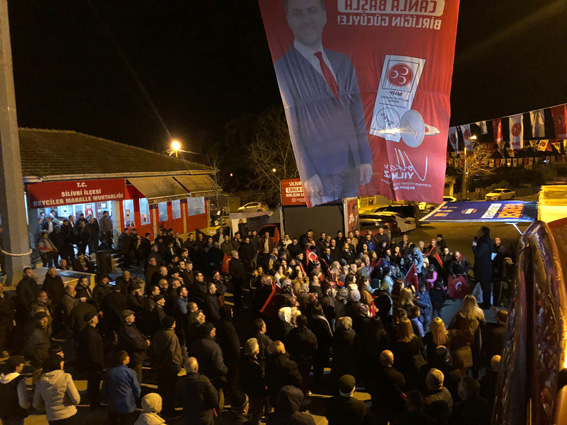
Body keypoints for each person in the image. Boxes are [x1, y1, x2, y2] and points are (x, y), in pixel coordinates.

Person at [273, 0, 373, 205]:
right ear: (289, 19)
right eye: (298, 13)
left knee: (350, 223)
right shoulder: (285, 68)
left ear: (323, 15)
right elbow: (293, 124)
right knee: (331, 224)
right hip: (321, 172)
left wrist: (365, 158)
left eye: (312, 11)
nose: (306, 19)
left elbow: (357, 113)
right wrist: (307, 172)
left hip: (352, 163)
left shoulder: (343, 61)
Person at [151, 316, 184, 419]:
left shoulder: (158, 334)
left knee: (162, 388)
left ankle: (160, 407)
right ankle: (169, 411)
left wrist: (156, 364)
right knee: (170, 390)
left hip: (160, 365)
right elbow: (170, 353)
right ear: (172, 324)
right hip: (169, 366)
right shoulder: (172, 336)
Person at [33, 355, 81, 425]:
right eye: (61, 362)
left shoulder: (40, 382)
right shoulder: (66, 377)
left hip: (52, 417)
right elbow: (76, 399)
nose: (63, 363)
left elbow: (36, 404)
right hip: (68, 414)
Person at [102, 350, 142, 425]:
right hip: (128, 405)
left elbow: (104, 389)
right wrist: (135, 399)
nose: (129, 357)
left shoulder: (110, 372)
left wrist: (108, 400)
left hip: (113, 405)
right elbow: (137, 389)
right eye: (127, 356)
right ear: (124, 359)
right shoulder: (131, 372)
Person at [180, 357, 219, 425]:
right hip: (204, 416)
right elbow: (214, 398)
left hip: (189, 417)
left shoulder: (181, 381)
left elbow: (178, 399)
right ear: (196, 367)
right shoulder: (204, 380)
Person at [239, 338, 267, 425]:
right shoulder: (254, 366)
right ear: (255, 350)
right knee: (255, 415)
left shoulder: (242, 361)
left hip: (245, 391)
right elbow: (258, 381)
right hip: (255, 394)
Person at [118, 310, 150, 383]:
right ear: (127, 319)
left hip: (137, 356)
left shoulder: (131, 327)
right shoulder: (127, 330)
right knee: (136, 377)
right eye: (132, 316)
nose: (134, 317)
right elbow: (136, 343)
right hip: (135, 356)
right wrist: (146, 344)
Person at [0, 355, 30, 425]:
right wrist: (27, 406)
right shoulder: (19, 380)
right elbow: (23, 401)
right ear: (17, 367)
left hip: (4, 413)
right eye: (21, 365)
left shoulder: (1, 379)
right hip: (16, 413)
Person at [472, 226, 494, 309]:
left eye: (479, 231)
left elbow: (478, 254)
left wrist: (474, 246)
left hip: (484, 269)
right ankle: (486, 302)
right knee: (485, 287)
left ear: (483, 233)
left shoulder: (485, 243)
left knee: (485, 287)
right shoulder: (487, 241)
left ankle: (486, 304)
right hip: (486, 268)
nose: (478, 232)